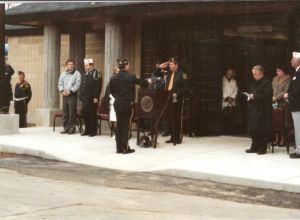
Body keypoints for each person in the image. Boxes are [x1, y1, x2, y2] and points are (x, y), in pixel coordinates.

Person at [109, 58, 149, 154]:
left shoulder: (113, 78)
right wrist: (147, 81)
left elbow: (112, 92)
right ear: (126, 66)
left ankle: (118, 148)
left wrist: (119, 97)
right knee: (126, 126)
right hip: (127, 103)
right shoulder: (131, 76)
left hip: (117, 103)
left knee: (119, 125)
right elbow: (143, 83)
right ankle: (125, 148)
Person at [158, 57, 188, 145]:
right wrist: (160, 67)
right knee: (171, 118)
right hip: (169, 98)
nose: (170, 66)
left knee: (177, 118)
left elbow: (185, 87)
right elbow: (156, 74)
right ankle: (172, 136)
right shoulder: (168, 73)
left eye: (171, 64)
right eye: (170, 64)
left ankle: (177, 138)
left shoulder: (182, 74)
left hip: (178, 99)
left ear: (176, 65)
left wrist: (177, 94)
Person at [245, 65, 273, 155]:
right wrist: (250, 96)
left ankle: (262, 147)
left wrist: (254, 96)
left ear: (260, 73)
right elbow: (252, 92)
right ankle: (254, 146)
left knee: (260, 129)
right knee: (253, 129)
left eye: (255, 74)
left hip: (263, 110)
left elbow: (267, 95)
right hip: (255, 109)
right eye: (253, 74)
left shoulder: (267, 82)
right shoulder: (255, 82)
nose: (254, 76)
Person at [58, 59, 81, 134]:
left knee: (72, 112)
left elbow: (77, 84)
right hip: (64, 96)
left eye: (72, 64)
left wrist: (70, 91)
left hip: (72, 95)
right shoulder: (63, 74)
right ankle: (66, 128)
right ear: (66, 65)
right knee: (65, 112)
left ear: (74, 65)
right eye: (69, 64)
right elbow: (60, 83)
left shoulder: (77, 73)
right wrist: (62, 91)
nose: (70, 66)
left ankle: (72, 128)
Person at [79, 58, 101, 137]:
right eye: (85, 65)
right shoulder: (86, 73)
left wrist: (96, 97)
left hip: (92, 98)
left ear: (91, 65)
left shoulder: (96, 73)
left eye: (87, 65)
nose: (85, 67)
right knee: (85, 114)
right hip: (85, 98)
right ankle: (87, 130)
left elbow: (97, 86)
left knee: (92, 114)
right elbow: (83, 85)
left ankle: (93, 131)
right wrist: (81, 96)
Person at [284, 52, 300, 159]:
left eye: (292, 60)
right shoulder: (296, 72)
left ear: (297, 61)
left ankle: (299, 150)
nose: (290, 62)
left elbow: (298, 90)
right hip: (295, 105)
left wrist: (288, 94)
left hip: (298, 105)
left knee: (298, 128)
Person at [272, 65, 292, 146]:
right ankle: (277, 139)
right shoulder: (274, 79)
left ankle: (283, 140)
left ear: (283, 71)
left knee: (283, 121)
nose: (277, 73)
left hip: (283, 102)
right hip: (274, 102)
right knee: (276, 121)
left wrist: (276, 97)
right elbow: (272, 89)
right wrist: (273, 97)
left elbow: (286, 90)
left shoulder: (288, 79)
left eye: (279, 71)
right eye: (276, 71)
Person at [103, 66, 119, 137]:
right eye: (117, 71)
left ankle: (119, 134)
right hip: (113, 102)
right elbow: (108, 92)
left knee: (118, 119)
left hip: (119, 102)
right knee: (113, 118)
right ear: (114, 72)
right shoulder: (112, 80)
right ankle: (116, 133)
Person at [222, 68, 238, 134]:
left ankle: (231, 131)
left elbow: (236, 90)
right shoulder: (222, 80)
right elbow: (221, 89)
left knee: (232, 116)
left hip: (232, 101)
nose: (229, 74)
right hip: (225, 101)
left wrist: (232, 97)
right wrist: (226, 97)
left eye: (231, 73)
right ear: (226, 73)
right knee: (225, 116)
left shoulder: (234, 81)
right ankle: (225, 130)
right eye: (228, 73)